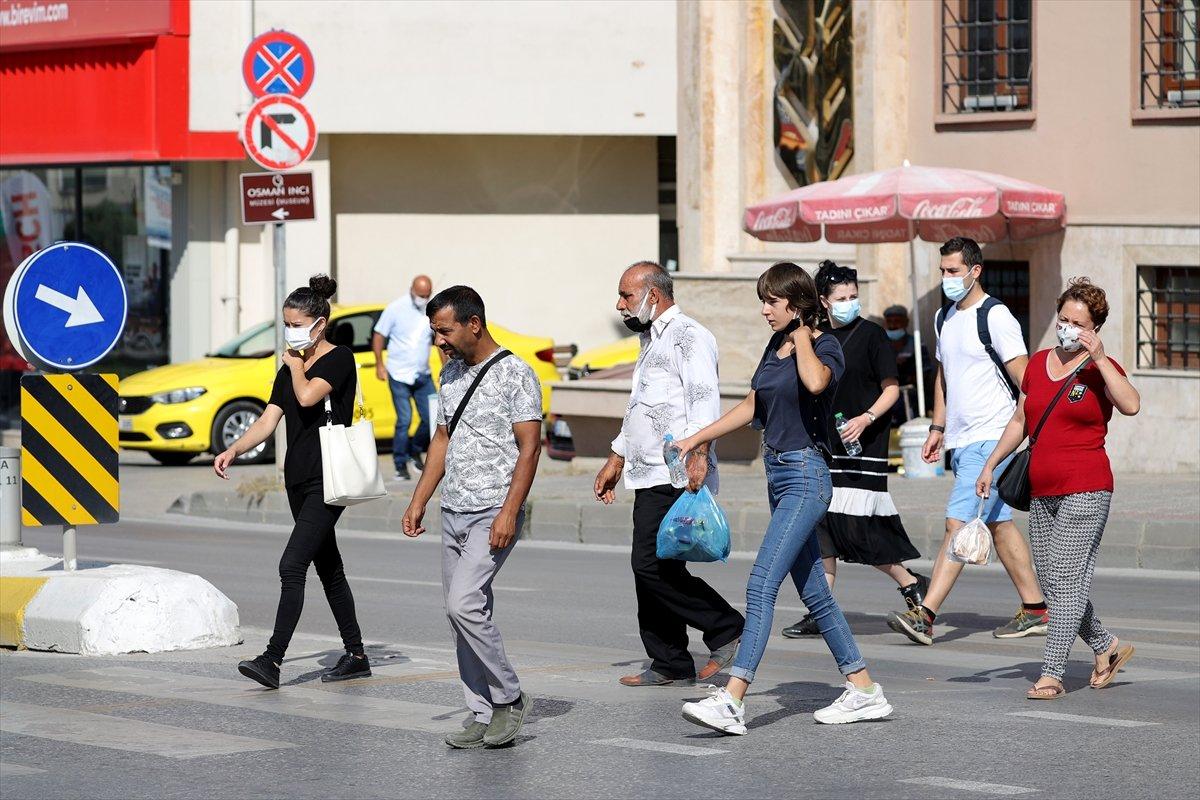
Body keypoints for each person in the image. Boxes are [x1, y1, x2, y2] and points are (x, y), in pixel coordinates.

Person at [675, 261, 893, 734]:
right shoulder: (774, 346)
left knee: (761, 585)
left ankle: (733, 698)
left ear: (796, 304)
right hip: (777, 474)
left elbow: (816, 383)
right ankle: (864, 689)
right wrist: (698, 438)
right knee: (815, 592)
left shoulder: (825, 345)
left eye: (771, 301)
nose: (764, 310)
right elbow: (753, 404)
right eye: (764, 302)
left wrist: (802, 336)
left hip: (806, 476)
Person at [976, 278, 1139, 699]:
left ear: (1094, 328)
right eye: (1064, 319)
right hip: (1041, 489)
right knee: (1053, 582)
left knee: (1064, 578)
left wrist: (1099, 358)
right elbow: (1020, 420)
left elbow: (1131, 404)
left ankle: (1052, 672)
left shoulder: (1101, 367)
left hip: (1087, 486)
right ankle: (1105, 645)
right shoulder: (1037, 365)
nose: (1068, 328)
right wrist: (991, 464)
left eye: (1078, 323)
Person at [887, 237, 1049, 646]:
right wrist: (937, 427)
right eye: (942, 271)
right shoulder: (943, 317)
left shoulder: (996, 316)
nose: (946, 278)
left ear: (975, 271)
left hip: (992, 436)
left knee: (956, 524)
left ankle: (925, 615)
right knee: (997, 524)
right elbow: (944, 376)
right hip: (962, 439)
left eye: (954, 271)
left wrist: (1022, 429)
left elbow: (1026, 379)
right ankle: (1035, 609)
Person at [402, 285, 543, 749]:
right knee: (460, 615)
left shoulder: (515, 373)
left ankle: (509, 697)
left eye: (444, 331)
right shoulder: (451, 372)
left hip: (492, 512)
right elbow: (442, 438)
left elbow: (529, 449)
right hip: (454, 510)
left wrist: (509, 512)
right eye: (434, 331)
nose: (438, 340)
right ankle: (482, 711)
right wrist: (419, 499)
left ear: (473, 324)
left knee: (463, 604)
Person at [593, 261, 744, 688]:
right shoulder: (650, 338)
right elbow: (639, 406)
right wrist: (617, 456)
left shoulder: (689, 336)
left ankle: (727, 627)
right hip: (647, 472)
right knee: (657, 567)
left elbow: (703, 399)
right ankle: (669, 660)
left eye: (626, 296)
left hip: (675, 472)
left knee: (649, 565)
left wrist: (700, 453)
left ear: (652, 296)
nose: (620, 305)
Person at [215, 274, 370, 689]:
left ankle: (272, 659)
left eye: (297, 324)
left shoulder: (338, 359)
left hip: (328, 479)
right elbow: (269, 420)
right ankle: (356, 655)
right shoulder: (290, 366)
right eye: (286, 323)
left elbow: (307, 396)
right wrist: (234, 449)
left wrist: (296, 365)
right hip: (297, 480)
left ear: (320, 324)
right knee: (329, 568)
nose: (290, 331)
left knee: (292, 565)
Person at [782, 262, 927, 639]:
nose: (849, 302)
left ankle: (910, 582)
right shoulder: (816, 337)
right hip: (825, 444)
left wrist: (866, 418)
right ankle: (820, 609)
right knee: (823, 528)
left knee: (858, 528)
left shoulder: (873, 335)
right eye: (842, 297)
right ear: (824, 302)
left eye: (853, 296)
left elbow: (891, 389)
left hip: (864, 444)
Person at [373, 275, 435, 481]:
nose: (423, 299)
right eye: (420, 295)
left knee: (432, 417)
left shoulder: (431, 309)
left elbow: (439, 338)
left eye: (427, 295)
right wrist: (379, 364)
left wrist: (446, 367)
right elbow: (379, 335)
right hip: (398, 374)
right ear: (411, 290)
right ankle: (400, 464)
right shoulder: (395, 308)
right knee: (405, 419)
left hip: (423, 374)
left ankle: (415, 450)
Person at [882, 303, 933, 424]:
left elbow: (925, 371)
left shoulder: (915, 343)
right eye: (889, 322)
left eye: (897, 321)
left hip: (911, 396)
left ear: (906, 322)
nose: (893, 325)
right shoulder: (880, 344)